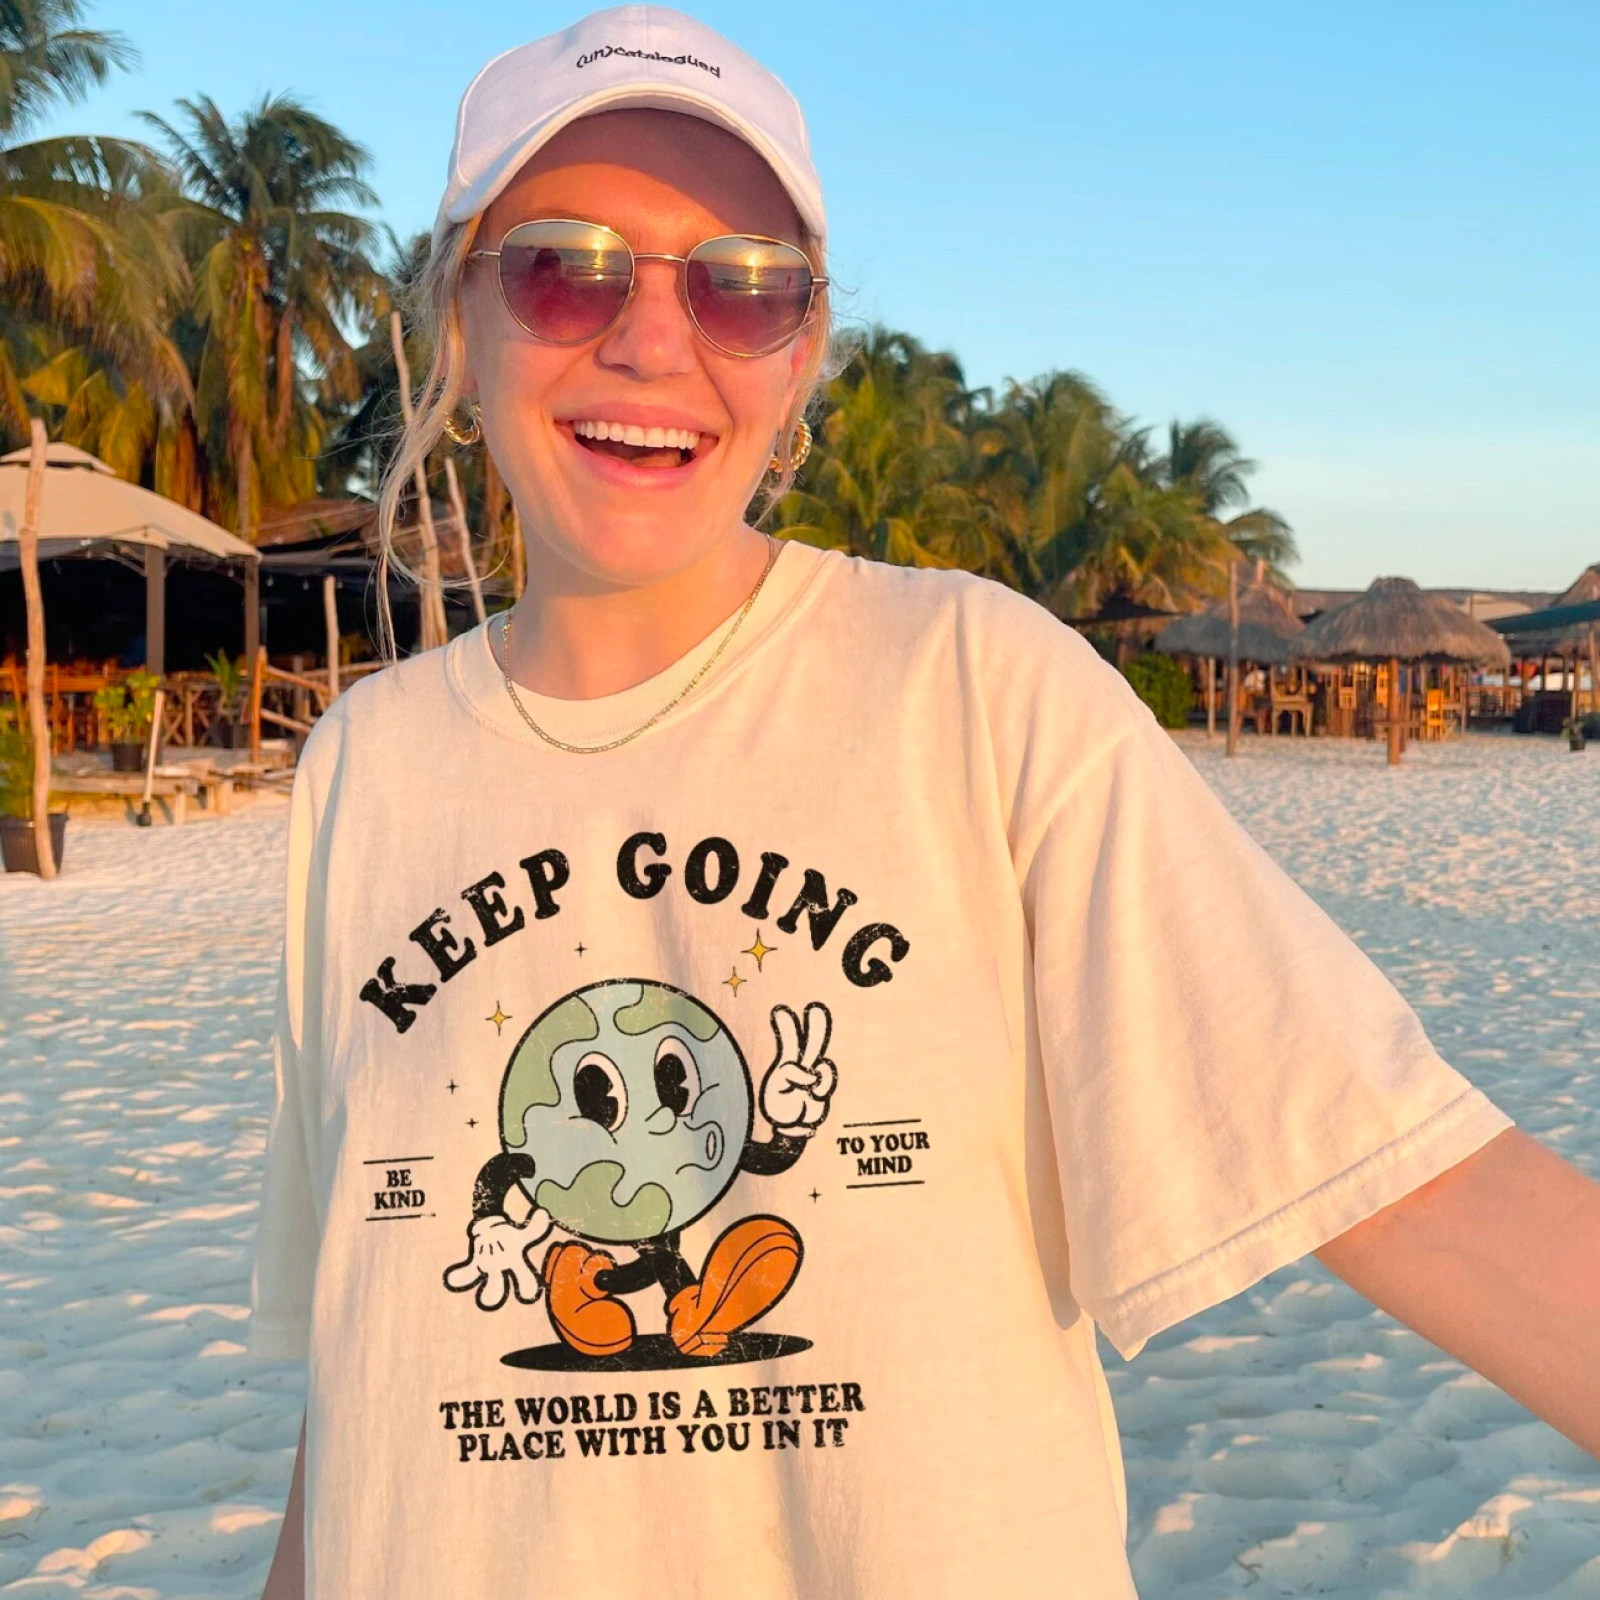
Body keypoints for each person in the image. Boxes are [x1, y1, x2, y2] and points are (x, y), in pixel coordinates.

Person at [252, 9, 1600, 1598]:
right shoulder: (366, 763)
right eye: (567, 268)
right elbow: (375, 1367)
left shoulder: (970, 685)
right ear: (458, 322)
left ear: (802, 352)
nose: (653, 343)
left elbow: (1405, 1177)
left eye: (744, 284)